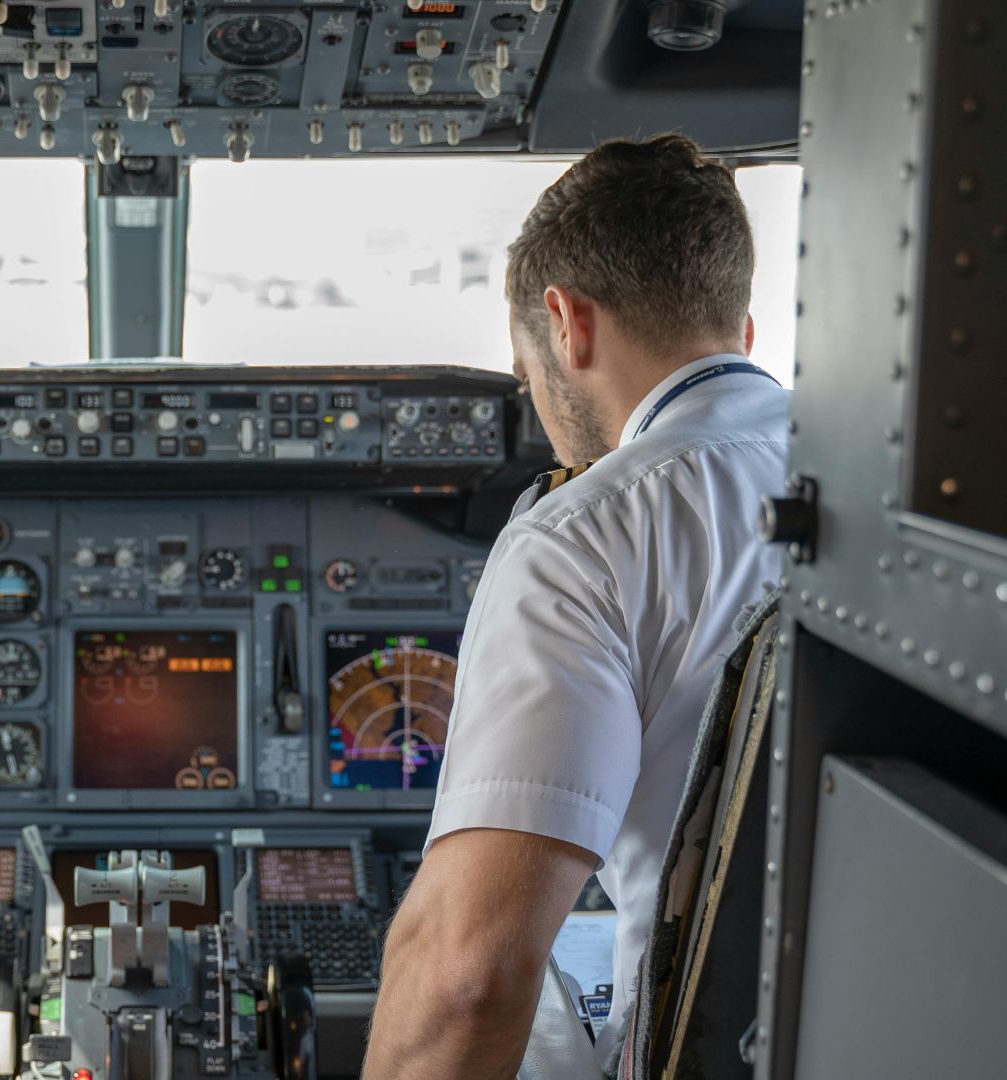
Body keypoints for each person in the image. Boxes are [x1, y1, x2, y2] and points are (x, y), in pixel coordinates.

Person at [364, 135, 789, 1079]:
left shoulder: (581, 538)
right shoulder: (904, 499)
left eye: (526, 377)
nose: (539, 402)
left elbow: (468, 973)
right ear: (741, 333)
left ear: (565, 324)